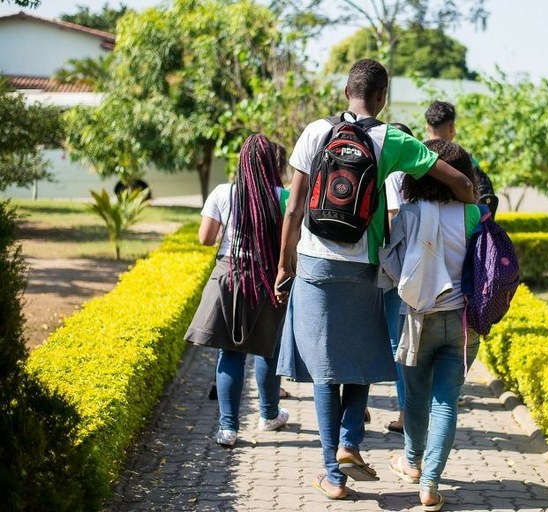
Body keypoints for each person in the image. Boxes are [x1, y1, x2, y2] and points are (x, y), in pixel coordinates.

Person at [274, 58, 475, 501]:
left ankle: (333, 475)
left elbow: (293, 206)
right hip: (365, 268)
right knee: (361, 363)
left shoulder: (314, 132)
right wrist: (469, 200)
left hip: (313, 264)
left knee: (325, 371)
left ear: (347, 91)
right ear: (383, 97)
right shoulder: (391, 139)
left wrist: (284, 264)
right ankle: (350, 443)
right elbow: (457, 180)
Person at [380, 139, 482, 512]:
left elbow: (388, 259)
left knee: (417, 399)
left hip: (418, 319)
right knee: (446, 404)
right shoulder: (472, 214)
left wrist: (407, 284)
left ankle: (411, 461)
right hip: (461, 323)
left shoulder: (407, 212)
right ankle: (430, 484)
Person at [185, 134, 290, 448]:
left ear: (241, 162)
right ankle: (269, 415)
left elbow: (206, 238)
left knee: (230, 352)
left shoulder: (222, 192)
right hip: (268, 277)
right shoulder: (282, 196)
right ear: (272, 164)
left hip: (229, 276)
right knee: (267, 348)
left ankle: (228, 429)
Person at [381, 122, 413, 436]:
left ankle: (405, 414)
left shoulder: (392, 176)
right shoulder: (415, 177)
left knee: (394, 343)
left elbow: (392, 221)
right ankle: (406, 412)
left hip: (390, 273)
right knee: (401, 342)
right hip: (411, 270)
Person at [424, 100, 498, 215]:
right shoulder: (465, 160)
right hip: (461, 226)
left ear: (427, 128)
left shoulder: (418, 157)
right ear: (452, 127)